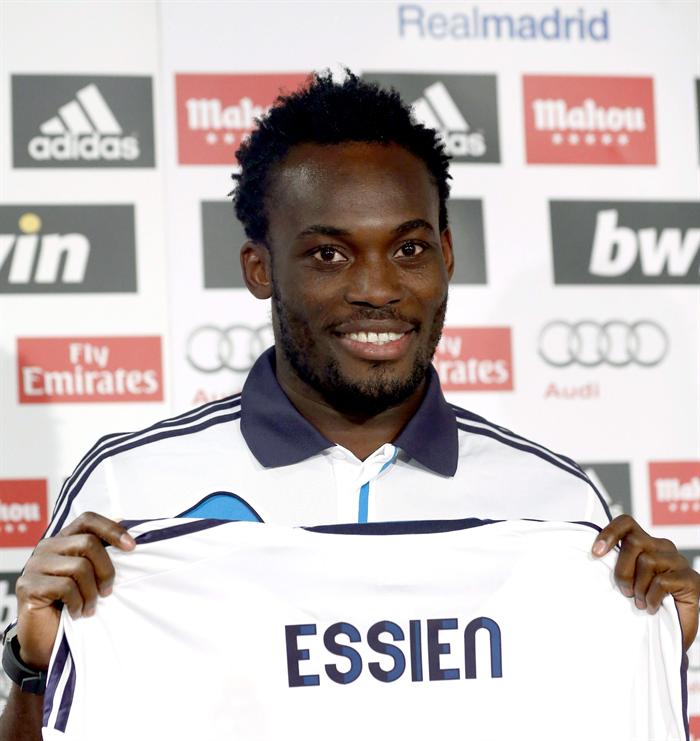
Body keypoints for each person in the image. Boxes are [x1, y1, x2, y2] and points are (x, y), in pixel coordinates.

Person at [1, 72, 698, 740]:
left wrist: (656, 634)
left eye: (409, 248)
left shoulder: (560, 507)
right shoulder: (128, 486)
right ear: (260, 268)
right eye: (329, 255)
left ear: (447, 255)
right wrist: (35, 668)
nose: (378, 288)